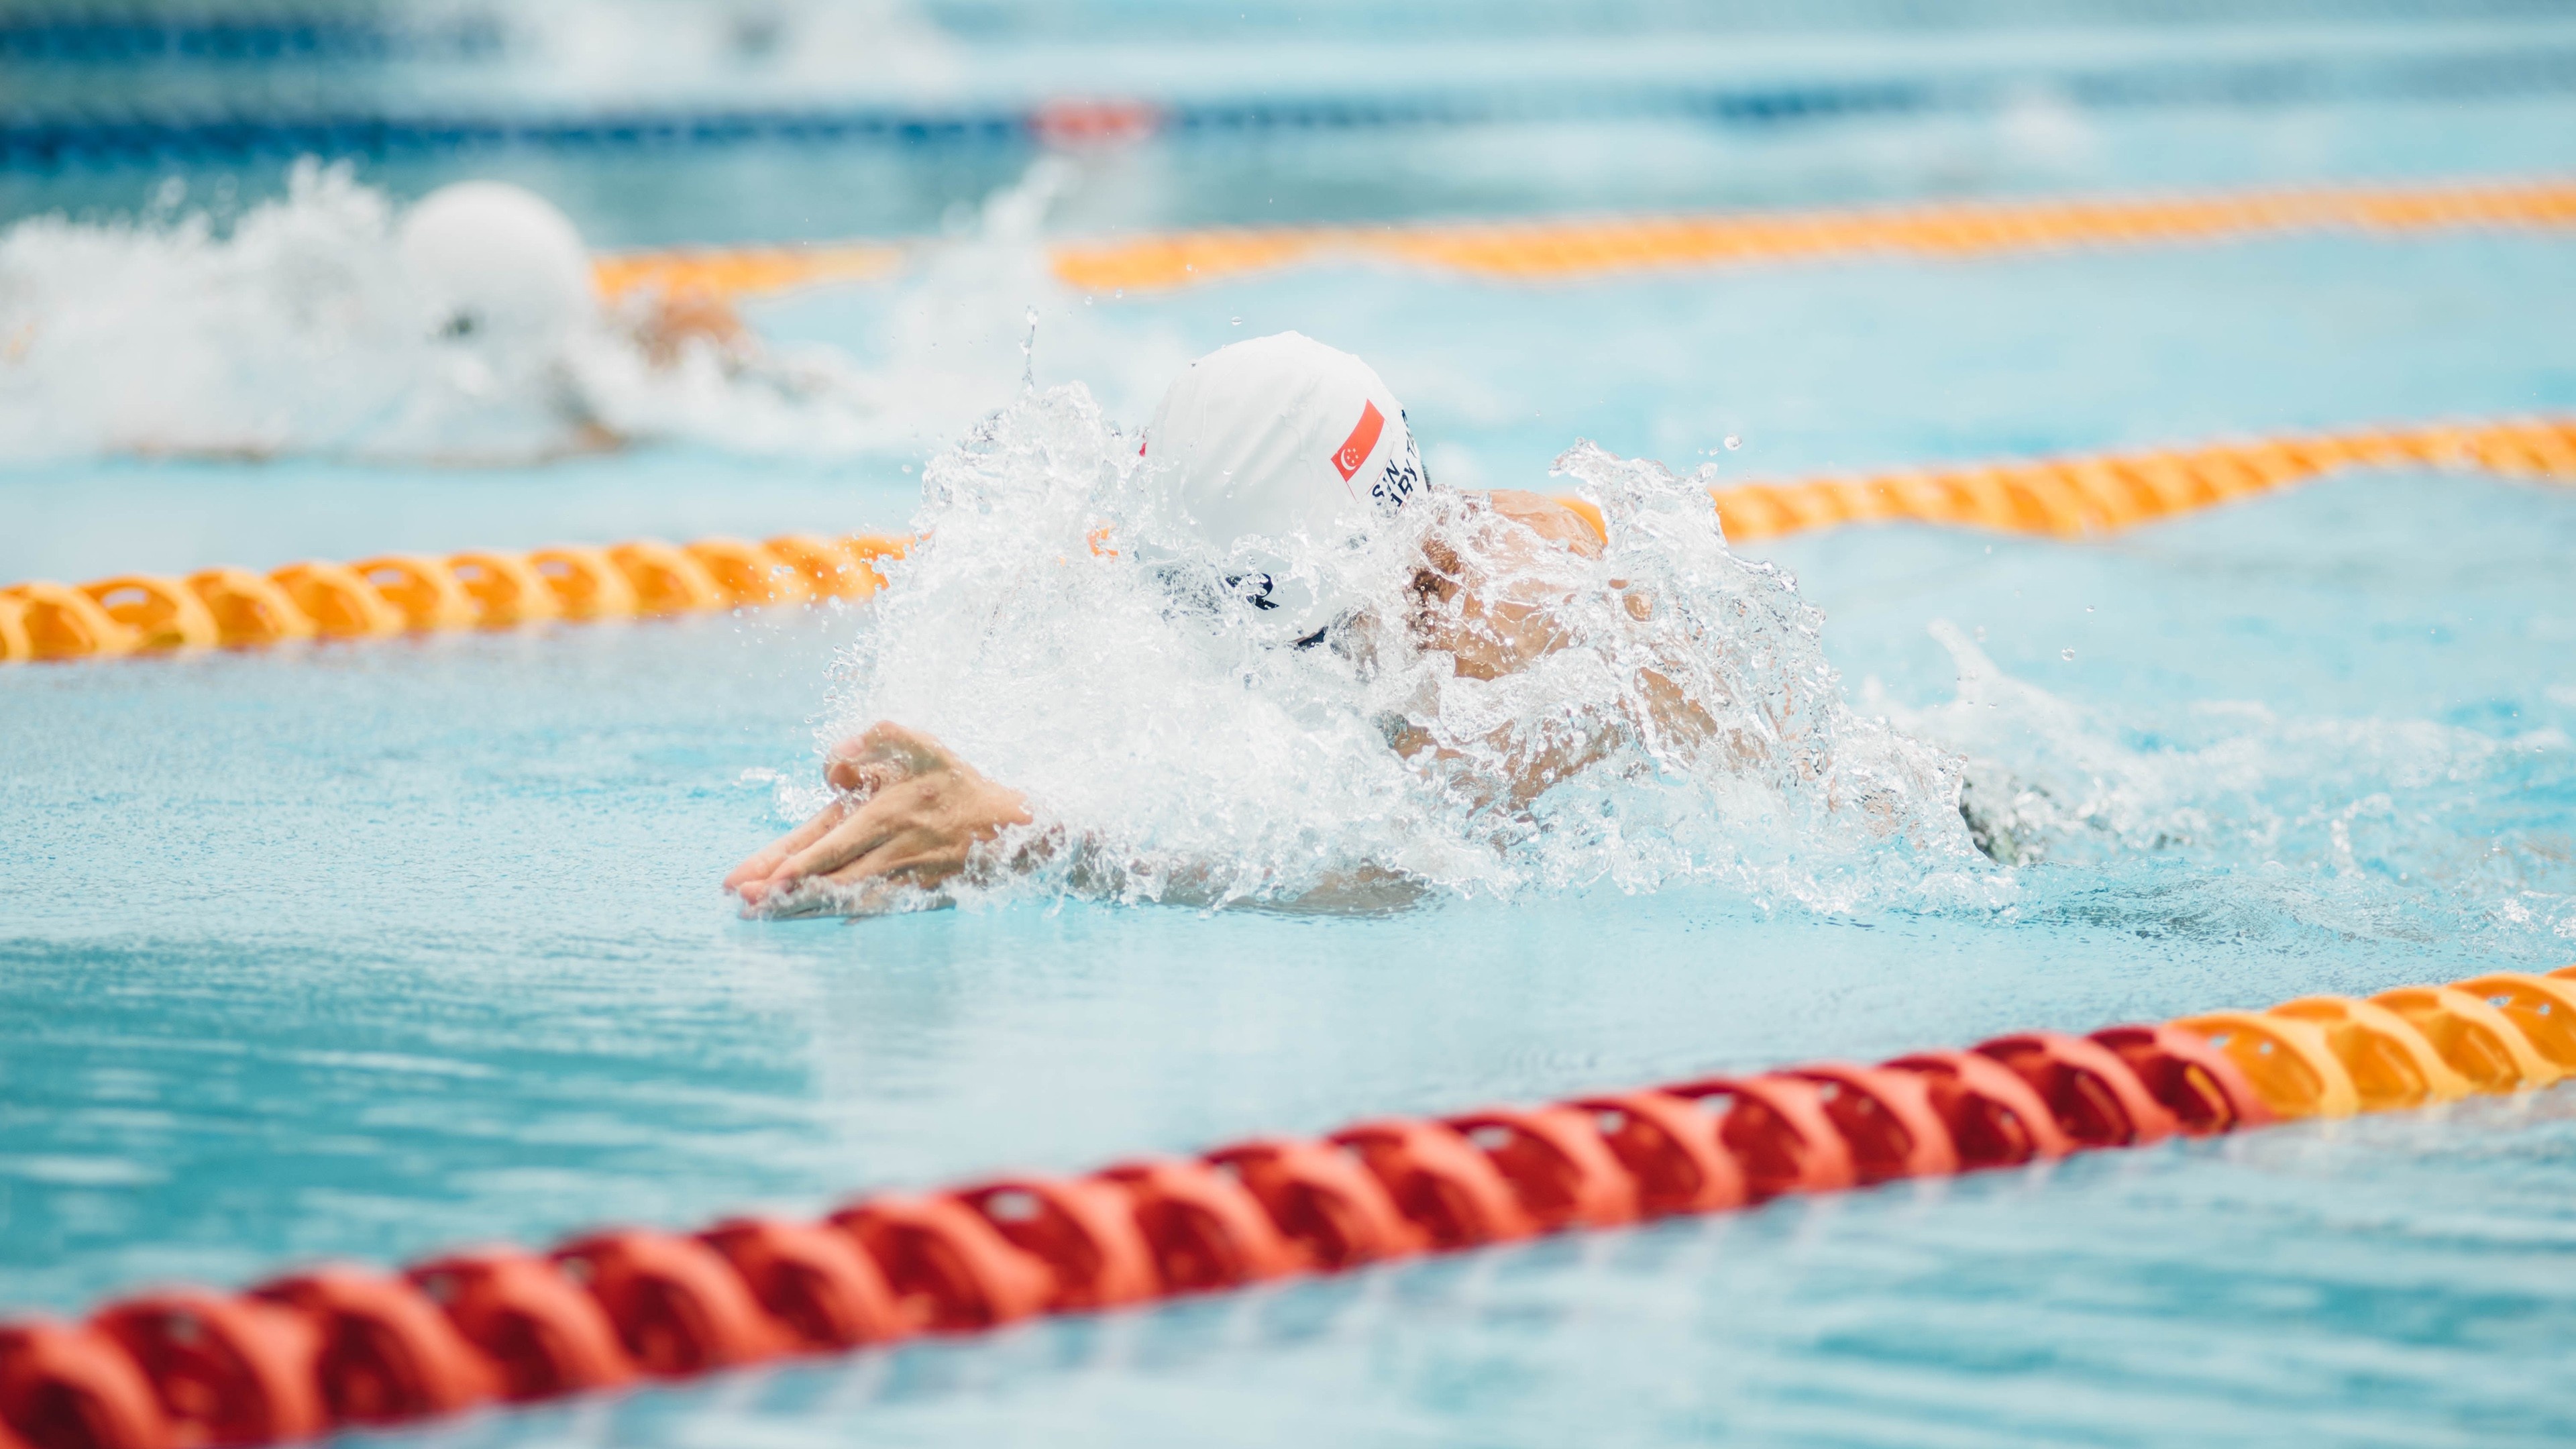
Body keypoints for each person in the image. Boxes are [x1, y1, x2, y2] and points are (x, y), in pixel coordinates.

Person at [724, 331, 1707, 915]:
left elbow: (1387, 871)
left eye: (1269, 623)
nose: (1236, 649)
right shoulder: (1276, 552)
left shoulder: (1518, 613)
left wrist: (1031, 835)